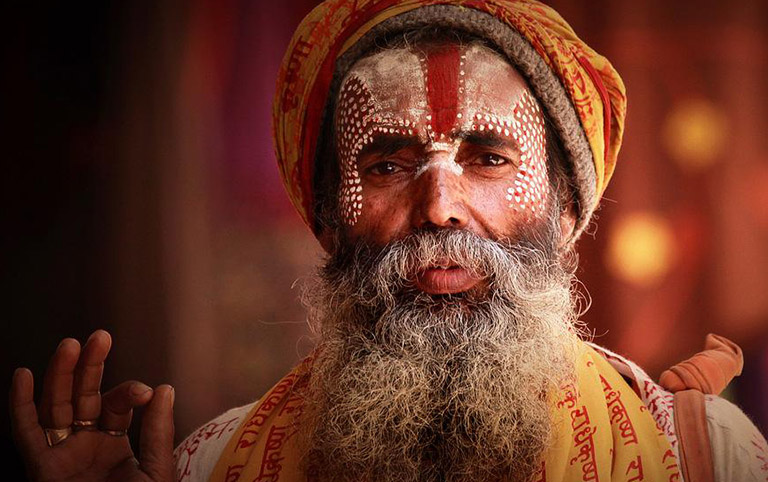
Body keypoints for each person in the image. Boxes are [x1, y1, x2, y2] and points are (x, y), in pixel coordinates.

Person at [10, 1, 768, 481]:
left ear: (567, 214)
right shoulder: (213, 464)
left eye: (488, 157)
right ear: (332, 219)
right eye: (389, 163)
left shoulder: (706, 457)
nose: (439, 207)